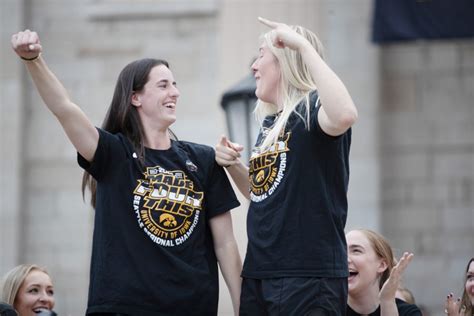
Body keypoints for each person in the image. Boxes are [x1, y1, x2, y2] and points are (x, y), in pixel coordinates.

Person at [11, 29, 242, 315]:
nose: (175, 92)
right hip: (124, 308)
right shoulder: (113, 154)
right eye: (163, 85)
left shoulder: (203, 159)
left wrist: (244, 305)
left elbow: (226, 244)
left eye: (175, 84)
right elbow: (64, 108)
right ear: (136, 98)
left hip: (191, 307)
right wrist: (33, 60)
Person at [215, 17, 358, 315]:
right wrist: (234, 166)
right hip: (261, 271)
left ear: (285, 60)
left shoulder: (313, 108)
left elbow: (345, 114)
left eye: (261, 56)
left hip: (307, 274)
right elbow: (260, 193)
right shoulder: (270, 123)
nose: (254, 66)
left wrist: (303, 46)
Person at [346, 229, 421, 315]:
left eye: (356, 251)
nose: (345, 259)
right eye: (342, 251)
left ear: (382, 265)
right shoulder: (330, 309)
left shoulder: (407, 312)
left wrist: (387, 302)